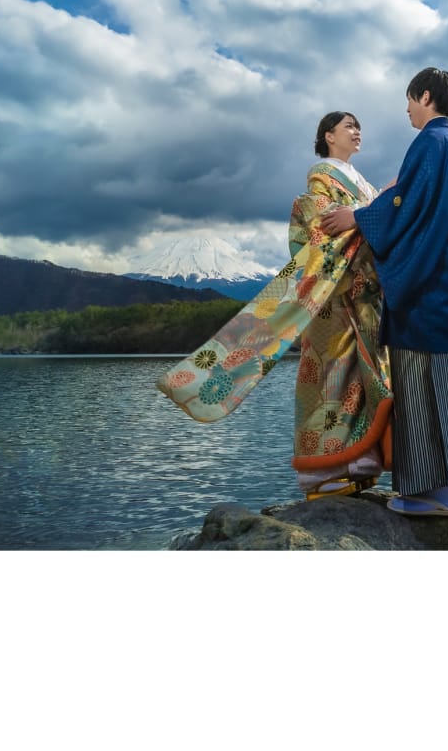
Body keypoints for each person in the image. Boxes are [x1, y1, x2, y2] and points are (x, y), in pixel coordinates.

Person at [156, 111, 393, 501]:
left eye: (359, 127)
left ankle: (359, 462)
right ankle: (325, 469)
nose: (357, 131)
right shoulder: (321, 181)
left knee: (359, 380)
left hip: (363, 298)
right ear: (328, 136)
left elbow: (364, 222)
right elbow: (321, 233)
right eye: (348, 126)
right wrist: (370, 213)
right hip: (334, 297)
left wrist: (375, 205)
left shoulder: (360, 183)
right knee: (332, 376)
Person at [321, 67, 448, 517]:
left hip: (425, 294)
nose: (407, 109)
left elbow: (406, 207)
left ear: (426, 96)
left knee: (424, 390)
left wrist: (358, 216)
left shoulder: (429, 143)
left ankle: (437, 495)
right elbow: (411, 199)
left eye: (410, 100)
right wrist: (387, 199)